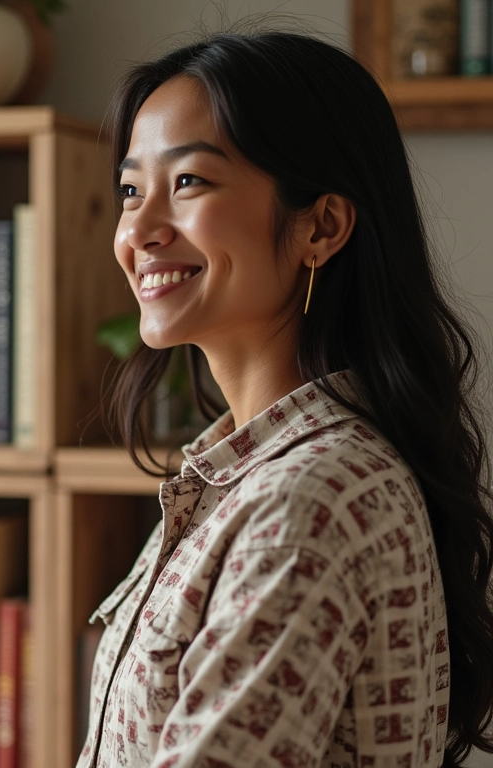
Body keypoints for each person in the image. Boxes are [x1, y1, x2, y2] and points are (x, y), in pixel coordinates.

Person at [79, 31, 493, 768]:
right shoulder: (247, 474)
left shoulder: (305, 501)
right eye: (131, 191)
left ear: (322, 226)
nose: (136, 231)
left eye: (189, 183)